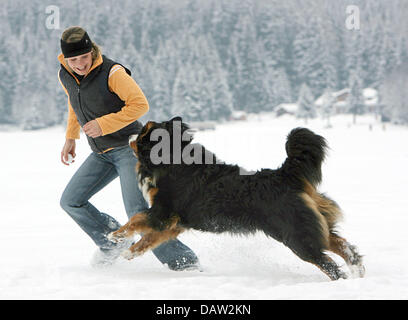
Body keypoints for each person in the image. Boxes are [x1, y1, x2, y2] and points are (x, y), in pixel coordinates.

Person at [58, 26, 199, 270]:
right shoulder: (66, 75)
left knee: (137, 211)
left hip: (128, 148)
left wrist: (103, 124)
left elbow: (140, 105)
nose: (80, 64)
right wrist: (71, 137)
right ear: (65, 59)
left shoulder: (112, 72)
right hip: (101, 153)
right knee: (71, 200)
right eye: (74, 60)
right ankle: (113, 242)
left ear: (92, 51)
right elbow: (74, 103)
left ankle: (184, 262)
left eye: (84, 57)